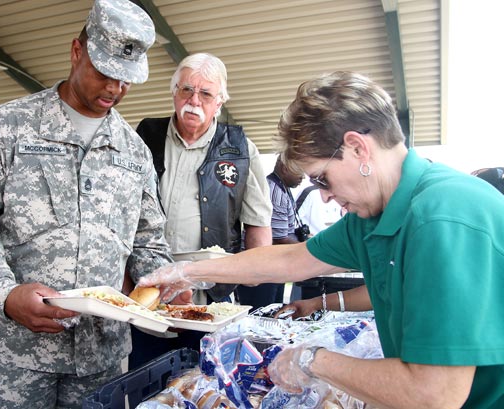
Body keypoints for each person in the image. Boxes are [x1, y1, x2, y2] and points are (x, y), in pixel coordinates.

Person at [139, 71, 504, 408]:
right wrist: (187, 271)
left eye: (323, 178)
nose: (325, 197)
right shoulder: (377, 213)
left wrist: (315, 360)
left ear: (357, 148)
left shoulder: (440, 219)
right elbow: (289, 260)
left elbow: (435, 394)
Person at [0, 1, 172, 407]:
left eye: (126, 79)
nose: (115, 89)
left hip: (98, 362)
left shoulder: (134, 150)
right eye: (106, 72)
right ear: (76, 52)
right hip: (7, 360)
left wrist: (160, 283)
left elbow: (149, 240)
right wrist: (4, 294)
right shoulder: (5, 126)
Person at [129, 52, 273, 369]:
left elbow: (258, 222)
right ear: (174, 93)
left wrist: (256, 270)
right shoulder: (144, 137)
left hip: (208, 303)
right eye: (186, 90)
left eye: (206, 93)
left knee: (201, 388)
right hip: (149, 296)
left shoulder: (240, 149)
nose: (194, 100)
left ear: (219, 102)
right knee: (144, 383)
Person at [236, 158, 303, 309]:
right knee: (261, 312)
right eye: (300, 171)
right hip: (263, 267)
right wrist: (308, 248)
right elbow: (279, 238)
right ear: (285, 168)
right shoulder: (274, 191)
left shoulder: (282, 189)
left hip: (273, 265)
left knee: (273, 310)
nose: (303, 177)